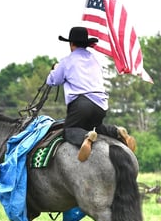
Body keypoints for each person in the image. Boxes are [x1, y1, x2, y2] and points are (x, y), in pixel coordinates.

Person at [46, 26, 137, 161]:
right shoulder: (94, 60)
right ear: (86, 44)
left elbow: (53, 80)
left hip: (81, 104)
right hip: (101, 104)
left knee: (69, 130)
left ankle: (86, 137)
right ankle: (117, 132)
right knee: (97, 127)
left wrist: (55, 68)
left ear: (71, 44)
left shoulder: (66, 61)